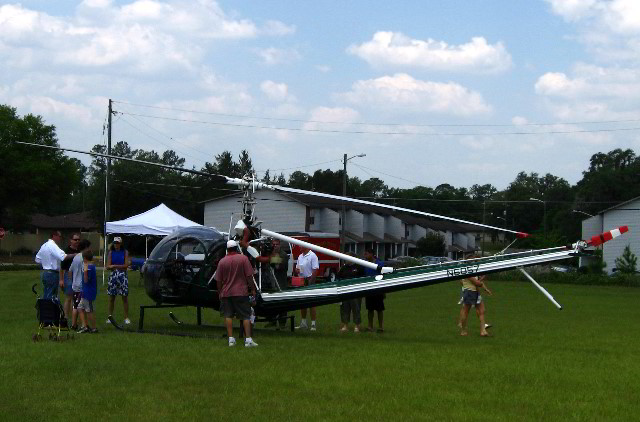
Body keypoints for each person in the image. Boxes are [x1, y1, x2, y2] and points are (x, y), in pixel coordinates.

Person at [215, 240, 258, 347]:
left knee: (228, 315)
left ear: (227, 249)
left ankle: (231, 339)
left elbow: (218, 280)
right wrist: (253, 289)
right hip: (241, 292)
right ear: (236, 248)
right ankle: (248, 340)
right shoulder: (243, 259)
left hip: (226, 293)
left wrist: (220, 292)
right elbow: (249, 276)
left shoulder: (222, 261)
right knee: (245, 316)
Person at [34, 230, 76, 300]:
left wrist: (46, 262)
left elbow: (37, 259)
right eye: (59, 236)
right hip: (52, 274)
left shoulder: (44, 245)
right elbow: (63, 257)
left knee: (47, 293)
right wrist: (75, 255)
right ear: (54, 236)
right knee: (51, 295)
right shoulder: (52, 245)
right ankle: (48, 309)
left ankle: (46, 309)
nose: (60, 238)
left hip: (45, 273)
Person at [459, 273, 492, 337]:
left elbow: (478, 281)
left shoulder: (473, 270)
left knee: (481, 310)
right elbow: (477, 283)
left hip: (476, 292)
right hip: (469, 292)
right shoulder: (467, 271)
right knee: (466, 311)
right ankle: (463, 331)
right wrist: (481, 281)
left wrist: (485, 289)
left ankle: (483, 331)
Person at [106, 236, 130, 325]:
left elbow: (126, 265)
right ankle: (110, 316)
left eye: (117, 243)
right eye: (115, 243)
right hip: (113, 276)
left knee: (124, 297)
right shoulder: (111, 252)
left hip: (122, 276)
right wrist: (112, 266)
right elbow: (108, 266)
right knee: (112, 298)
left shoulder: (125, 252)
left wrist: (114, 266)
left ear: (120, 244)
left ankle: (126, 317)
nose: (116, 245)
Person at [337, 257, 365, 332]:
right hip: (345, 291)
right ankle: (345, 325)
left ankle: (357, 325)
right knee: (344, 308)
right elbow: (339, 276)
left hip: (356, 291)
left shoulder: (359, 267)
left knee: (356, 308)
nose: (345, 259)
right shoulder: (343, 267)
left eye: (347, 257)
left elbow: (363, 278)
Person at [295, 246, 319, 331]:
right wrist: (297, 270)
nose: (299, 247)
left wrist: (311, 282)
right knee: (302, 302)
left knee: (312, 303)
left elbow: (315, 270)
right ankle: (303, 322)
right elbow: (297, 268)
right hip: (302, 281)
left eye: (300, 246)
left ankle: (313, 324)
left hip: (309, 280)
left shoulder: (313, 255)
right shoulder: (300, 256)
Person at [69, 239, 91, 330]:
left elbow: (70, 271)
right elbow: (85, 272)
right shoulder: (84, 258)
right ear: (85, 248)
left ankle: (74, 324)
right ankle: (81, 324)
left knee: (75, 304)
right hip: (82, 286)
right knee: (81, 307)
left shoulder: (76, 257)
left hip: (75, 285)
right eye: (89, 247)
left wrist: (73, 280)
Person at [61, 233, 81, 324]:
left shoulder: (81, 250)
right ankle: (65, 316)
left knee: (76, 297)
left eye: (78, 240)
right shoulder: (66, 251)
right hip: (68, 275)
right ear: (71, 240)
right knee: (69, 297)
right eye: (75, 239)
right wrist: (61, 280)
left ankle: (75, 318)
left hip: (78, 276)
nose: (77, 241)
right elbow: (61, 267)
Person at [77, 249, 98, 333]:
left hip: (88, 292)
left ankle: (94, 328)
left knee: (89, 310)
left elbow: (86, 280)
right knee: (80, 307)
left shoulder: (89, 267)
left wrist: (85, 271)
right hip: (85, 291)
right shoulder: (90, 266)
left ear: (85, 258)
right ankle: (85, 325)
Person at [364, 248, 385, 333]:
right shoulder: (365, 264)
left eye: (367, 253)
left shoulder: (379, 263)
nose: (365, 255)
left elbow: (383, 276)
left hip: (378, 289)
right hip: (369, 289)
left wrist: (384, 290)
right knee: (370, 309)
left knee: (379, 309)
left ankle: (380, 327)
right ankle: (370, 326)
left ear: (372, 254)